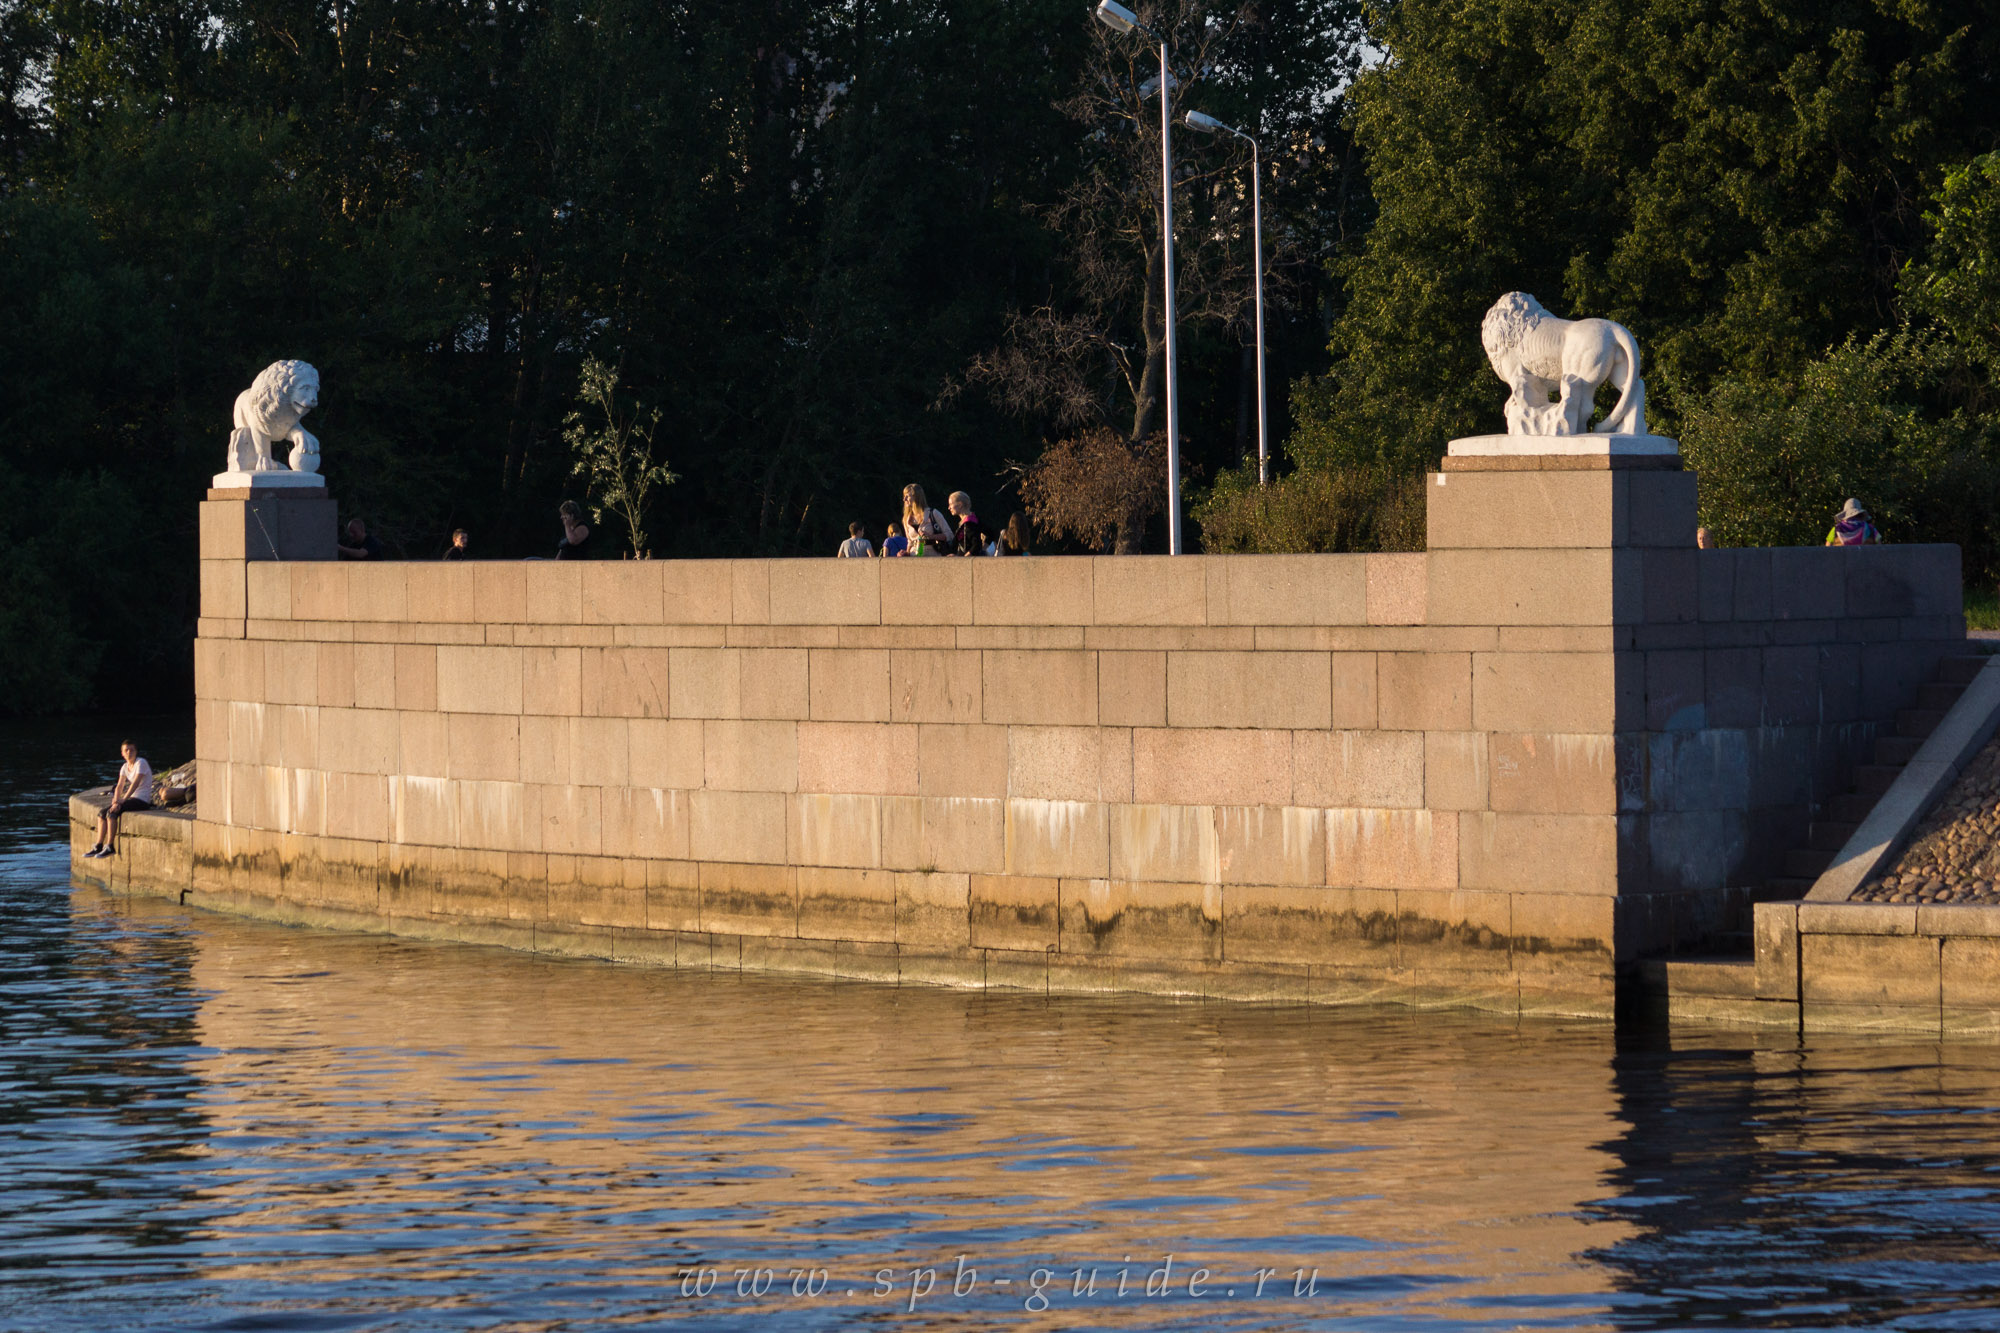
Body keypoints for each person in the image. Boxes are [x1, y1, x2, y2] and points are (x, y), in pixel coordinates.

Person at [83, 740, 153, 859]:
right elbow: (120, 786)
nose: (129, 752)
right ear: (122, 753)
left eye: (132, 750)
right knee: (101, 814)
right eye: (126, 750)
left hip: (142, 800)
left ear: (136, 752)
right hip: (131, 799)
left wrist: (123, 800)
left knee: (112, 813)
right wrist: (116, 800)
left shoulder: (141, 763)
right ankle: (99, 845)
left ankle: (110, 846)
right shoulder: (125, 767)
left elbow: (135, 784)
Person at [902, 484, 953, 556]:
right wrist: (906, 553)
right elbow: (910, 541)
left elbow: (949, 535)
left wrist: (931, 537)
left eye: (907, 496)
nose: (904, 499)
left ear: (916, 497)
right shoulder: (906, 519)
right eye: (904, 497)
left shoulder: (933, 513)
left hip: (932, 557)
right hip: (913, 558)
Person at [946, 491, 990, 557]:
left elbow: (976, 545)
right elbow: (990, 534)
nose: (949, 508)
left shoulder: (969, 523)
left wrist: (964, 559)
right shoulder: (974, 518)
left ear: (960, 504)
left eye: (951, 504)